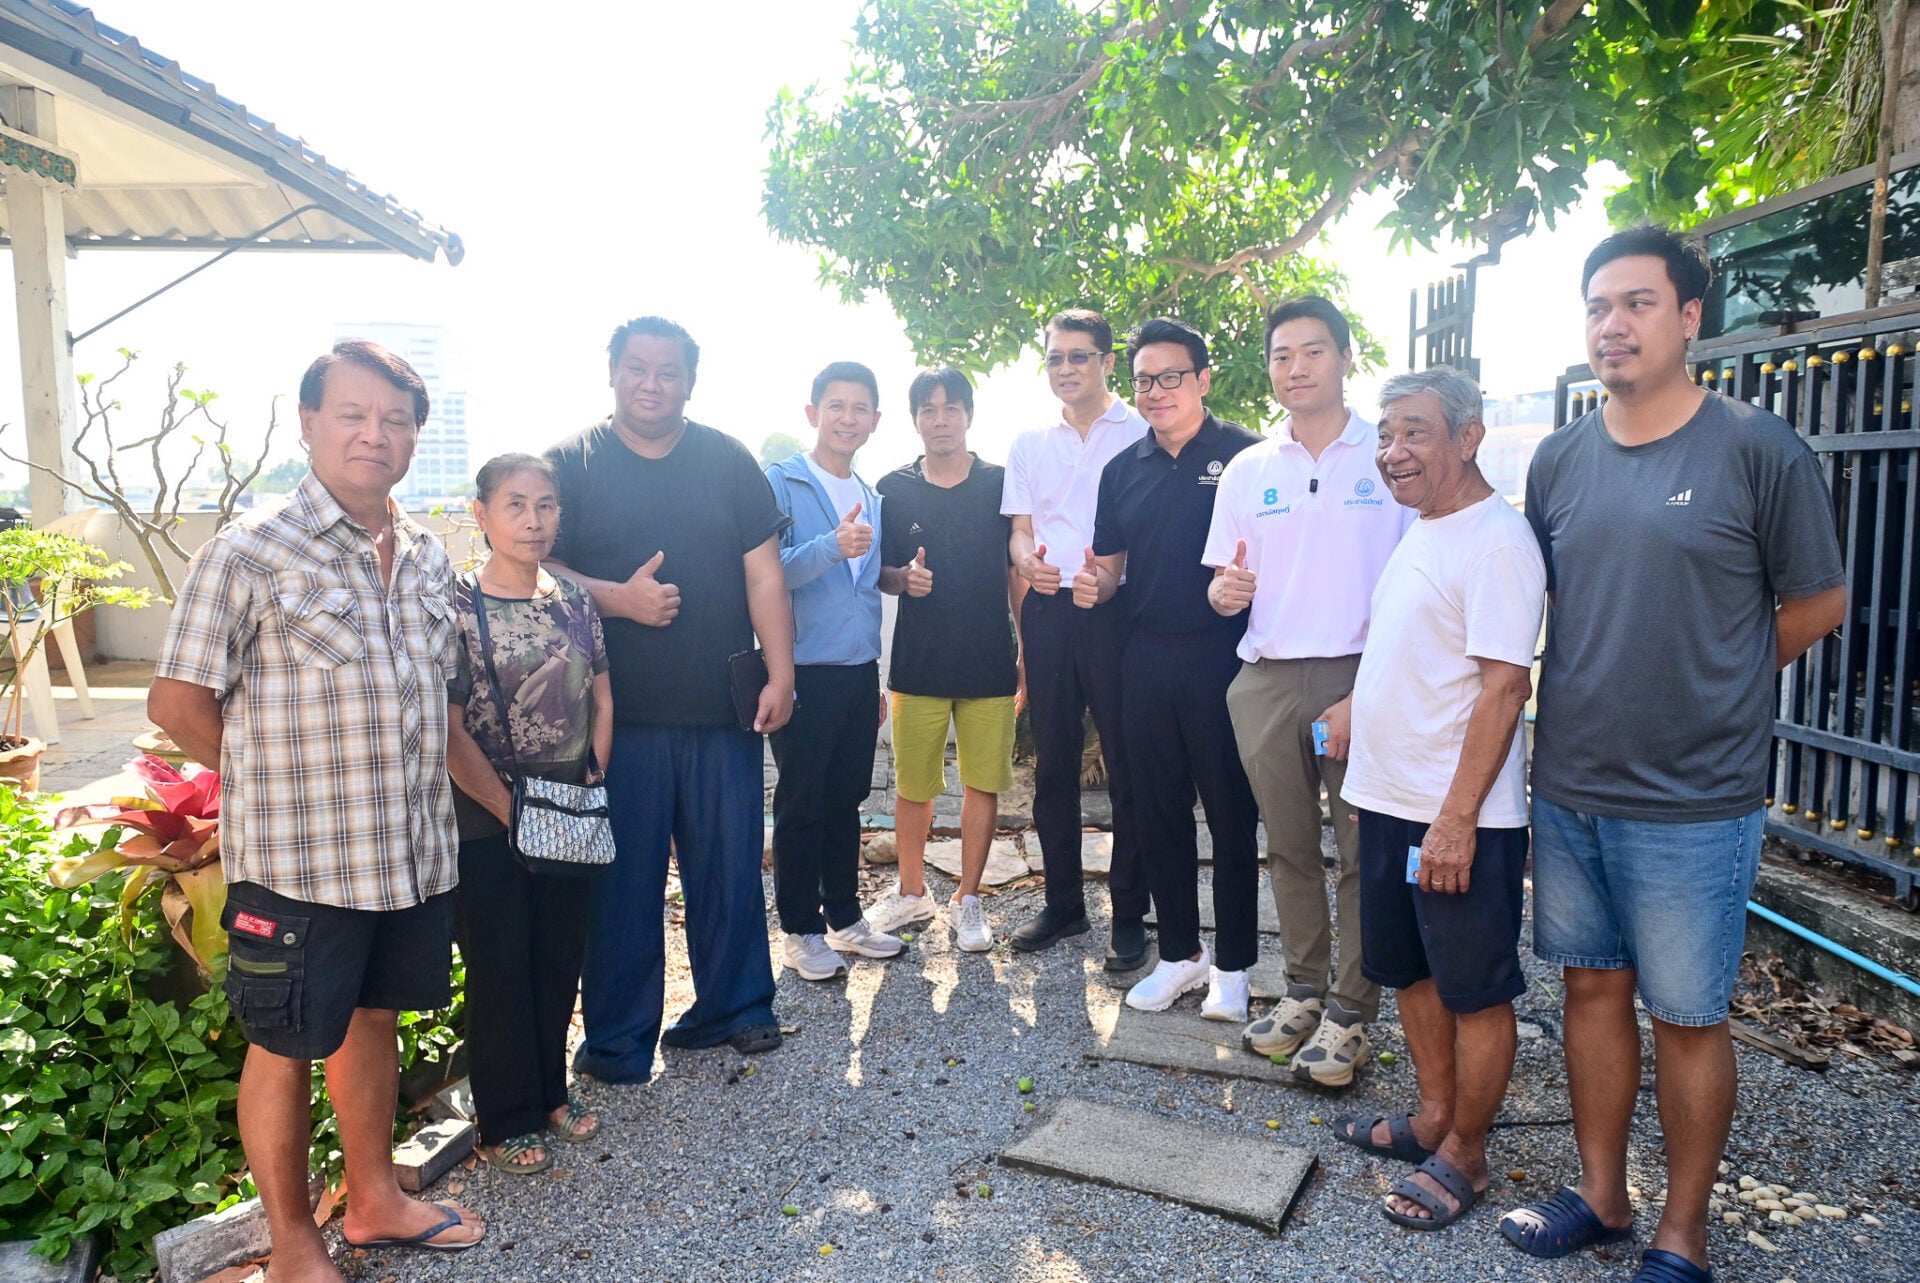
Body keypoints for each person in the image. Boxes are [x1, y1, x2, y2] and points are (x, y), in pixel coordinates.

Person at [1501, 228, 1846, 1283]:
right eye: (1598, 305)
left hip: (1696, 795)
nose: (1613, 324)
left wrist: (1726, 675)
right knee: (1590, 992)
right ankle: (1601, 1193)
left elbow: (1819, 600)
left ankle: (1682, 1232)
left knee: (1688, 1017)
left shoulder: (1756, 447)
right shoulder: (1559, 458)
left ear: (1690, 317)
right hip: (1571, 779)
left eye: (1638, 303)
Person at [149, 341, 483, 1275]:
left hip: (410, 854)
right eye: (353, 414)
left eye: (396, 419)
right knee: (284, 1045)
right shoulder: (249, 550)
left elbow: (436, 697)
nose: (375, 434)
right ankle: (294, 1243)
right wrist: (268, 780)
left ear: (415, 437)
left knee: (375, 1019)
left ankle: (375, 1201)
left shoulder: (426, 555)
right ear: (308, 424)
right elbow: (177, 702)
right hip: (300, 862)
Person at [545, 316, 796, 1080]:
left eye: (667, 371)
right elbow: (533, 565)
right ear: (612, 371)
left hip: (722, 707)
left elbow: (764, 574)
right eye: (637, 367)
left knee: (729, 869)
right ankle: (618, 1041)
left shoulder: (728, 459)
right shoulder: (570, 464)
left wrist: (782, 672)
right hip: (613, 718)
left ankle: (738, 1007)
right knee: (622, 884)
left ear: (690, 381)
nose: (651, 384)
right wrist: (618, 599)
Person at [1331, 367, 1545, 1232]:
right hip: (1391, 800)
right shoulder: (1424, 529)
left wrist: (1456, 820)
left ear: (1468, 436)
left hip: (1458, 815)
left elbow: (1504, 687)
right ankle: (1432, 1118)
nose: (1393, 451)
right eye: (1386, 434)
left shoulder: (1496, 540)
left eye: (1414, 432)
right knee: (1410, 972)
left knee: (1474, 989)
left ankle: (1468, 1151)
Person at [1203, 296, 1415, 1085]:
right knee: (1288, 846)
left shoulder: (1386, 459)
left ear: (1346, 357)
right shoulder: (1250, 468)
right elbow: (1224, 581)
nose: (1296, 368)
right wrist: (1224, 592)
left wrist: (1370, 689)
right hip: (1266, 680)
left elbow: (1413, 584)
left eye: (1313, 351)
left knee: (1362, 849)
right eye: (1282, 355)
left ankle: (1352, 1011)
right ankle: (1303, 992)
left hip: (1359, 677)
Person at [1079, 317, 1262, 1017]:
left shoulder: (1247, 456)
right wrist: (1093, 584)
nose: (1156, 391)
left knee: (1231, 815)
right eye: (1144, 380)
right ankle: (1181, 953)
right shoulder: (1123, 469)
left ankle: (1236, 965)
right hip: (1146, 658)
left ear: (1203, 379)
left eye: (1171, 377)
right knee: (1156, 813)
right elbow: (1111, 569)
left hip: (1227, 659)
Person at [444, 453, 612, 1174]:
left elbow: (602, 694)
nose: (533, 519)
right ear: (481, 514)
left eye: (546, 505)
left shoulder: (574, 599)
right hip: (488, 813)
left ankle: (550, 1093)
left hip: (566, 807)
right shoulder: (456, 605)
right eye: (515, 504)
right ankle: (504, 1117)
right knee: (500, 963)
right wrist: (510, 810)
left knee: (557, 953)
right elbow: (449, 729)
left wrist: (593, 774)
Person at [1001, 308, 1153, 969]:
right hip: (1049, 610)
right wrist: (1027, 562)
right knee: (1054, 765)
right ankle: (1063, 904)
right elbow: (1019, 530)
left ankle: (1131, 914)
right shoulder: (1030, 442)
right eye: (1055, 358)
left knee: (1128, 765)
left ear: (1108, 362)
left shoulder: (1143, 432)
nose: (1066, 369)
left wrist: (1111, 578)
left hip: (1118, 611)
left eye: (1079, 356)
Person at [864, 367, 1019, 952]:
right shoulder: (893, 488)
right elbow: (878, 573)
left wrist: (1027, 652)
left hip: (989, 661)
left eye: (951, 407)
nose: (940, 419)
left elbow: (1014, 574)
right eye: (928, 409)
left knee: (983, 782)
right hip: (919, 664)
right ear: (914, 420)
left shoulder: (1000, 485)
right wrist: (903, 579)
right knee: (913, 784)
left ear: (969, 415)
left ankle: (968, 898)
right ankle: (911, 891)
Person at [765, 362, 904, 979]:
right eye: (836, 406)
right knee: (801, 801)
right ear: (813, 413)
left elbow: (864, 588)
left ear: (875, 421)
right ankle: (799, 929)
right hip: (801, 668)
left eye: (860, 408)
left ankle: (844, 919)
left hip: (856, 670)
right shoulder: (782, 482)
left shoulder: (872, 496)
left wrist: (874, 674)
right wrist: (829, 546)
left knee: (847, 797)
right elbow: (764, 572)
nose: (848, 418)